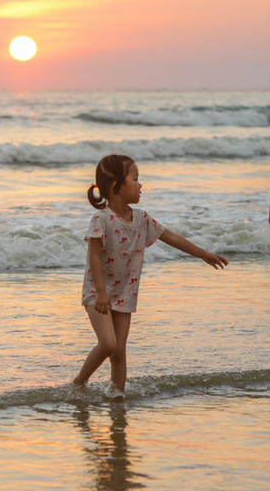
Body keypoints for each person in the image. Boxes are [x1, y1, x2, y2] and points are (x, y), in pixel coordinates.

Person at [73, 154, 229, 398]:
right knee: (108, 344)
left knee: (119, 351)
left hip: (125, 292)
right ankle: (78, 384)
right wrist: (102, 292)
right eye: (135, 179)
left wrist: (203, 254)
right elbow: (94, 256)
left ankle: (117, 396)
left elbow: (172, 237)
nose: (140, 185)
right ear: (116, 186)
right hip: (98, 292)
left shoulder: (142, 219)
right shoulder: (101, 220)